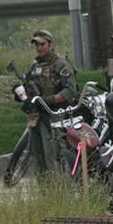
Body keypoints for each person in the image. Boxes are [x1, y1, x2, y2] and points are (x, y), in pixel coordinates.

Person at [21, 29, 77, 174]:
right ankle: (45, 190)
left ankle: (58, 188)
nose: (39, 48)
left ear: (50, 44)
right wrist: (22, 96)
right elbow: (28, 85)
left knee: (52, 152)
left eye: (42, 44)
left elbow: (70, 92)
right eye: (36, 45)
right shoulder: (34, 66)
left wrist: (47, 100)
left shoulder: (61, 64)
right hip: (36, 116)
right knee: (37, 153)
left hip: (54, 115)